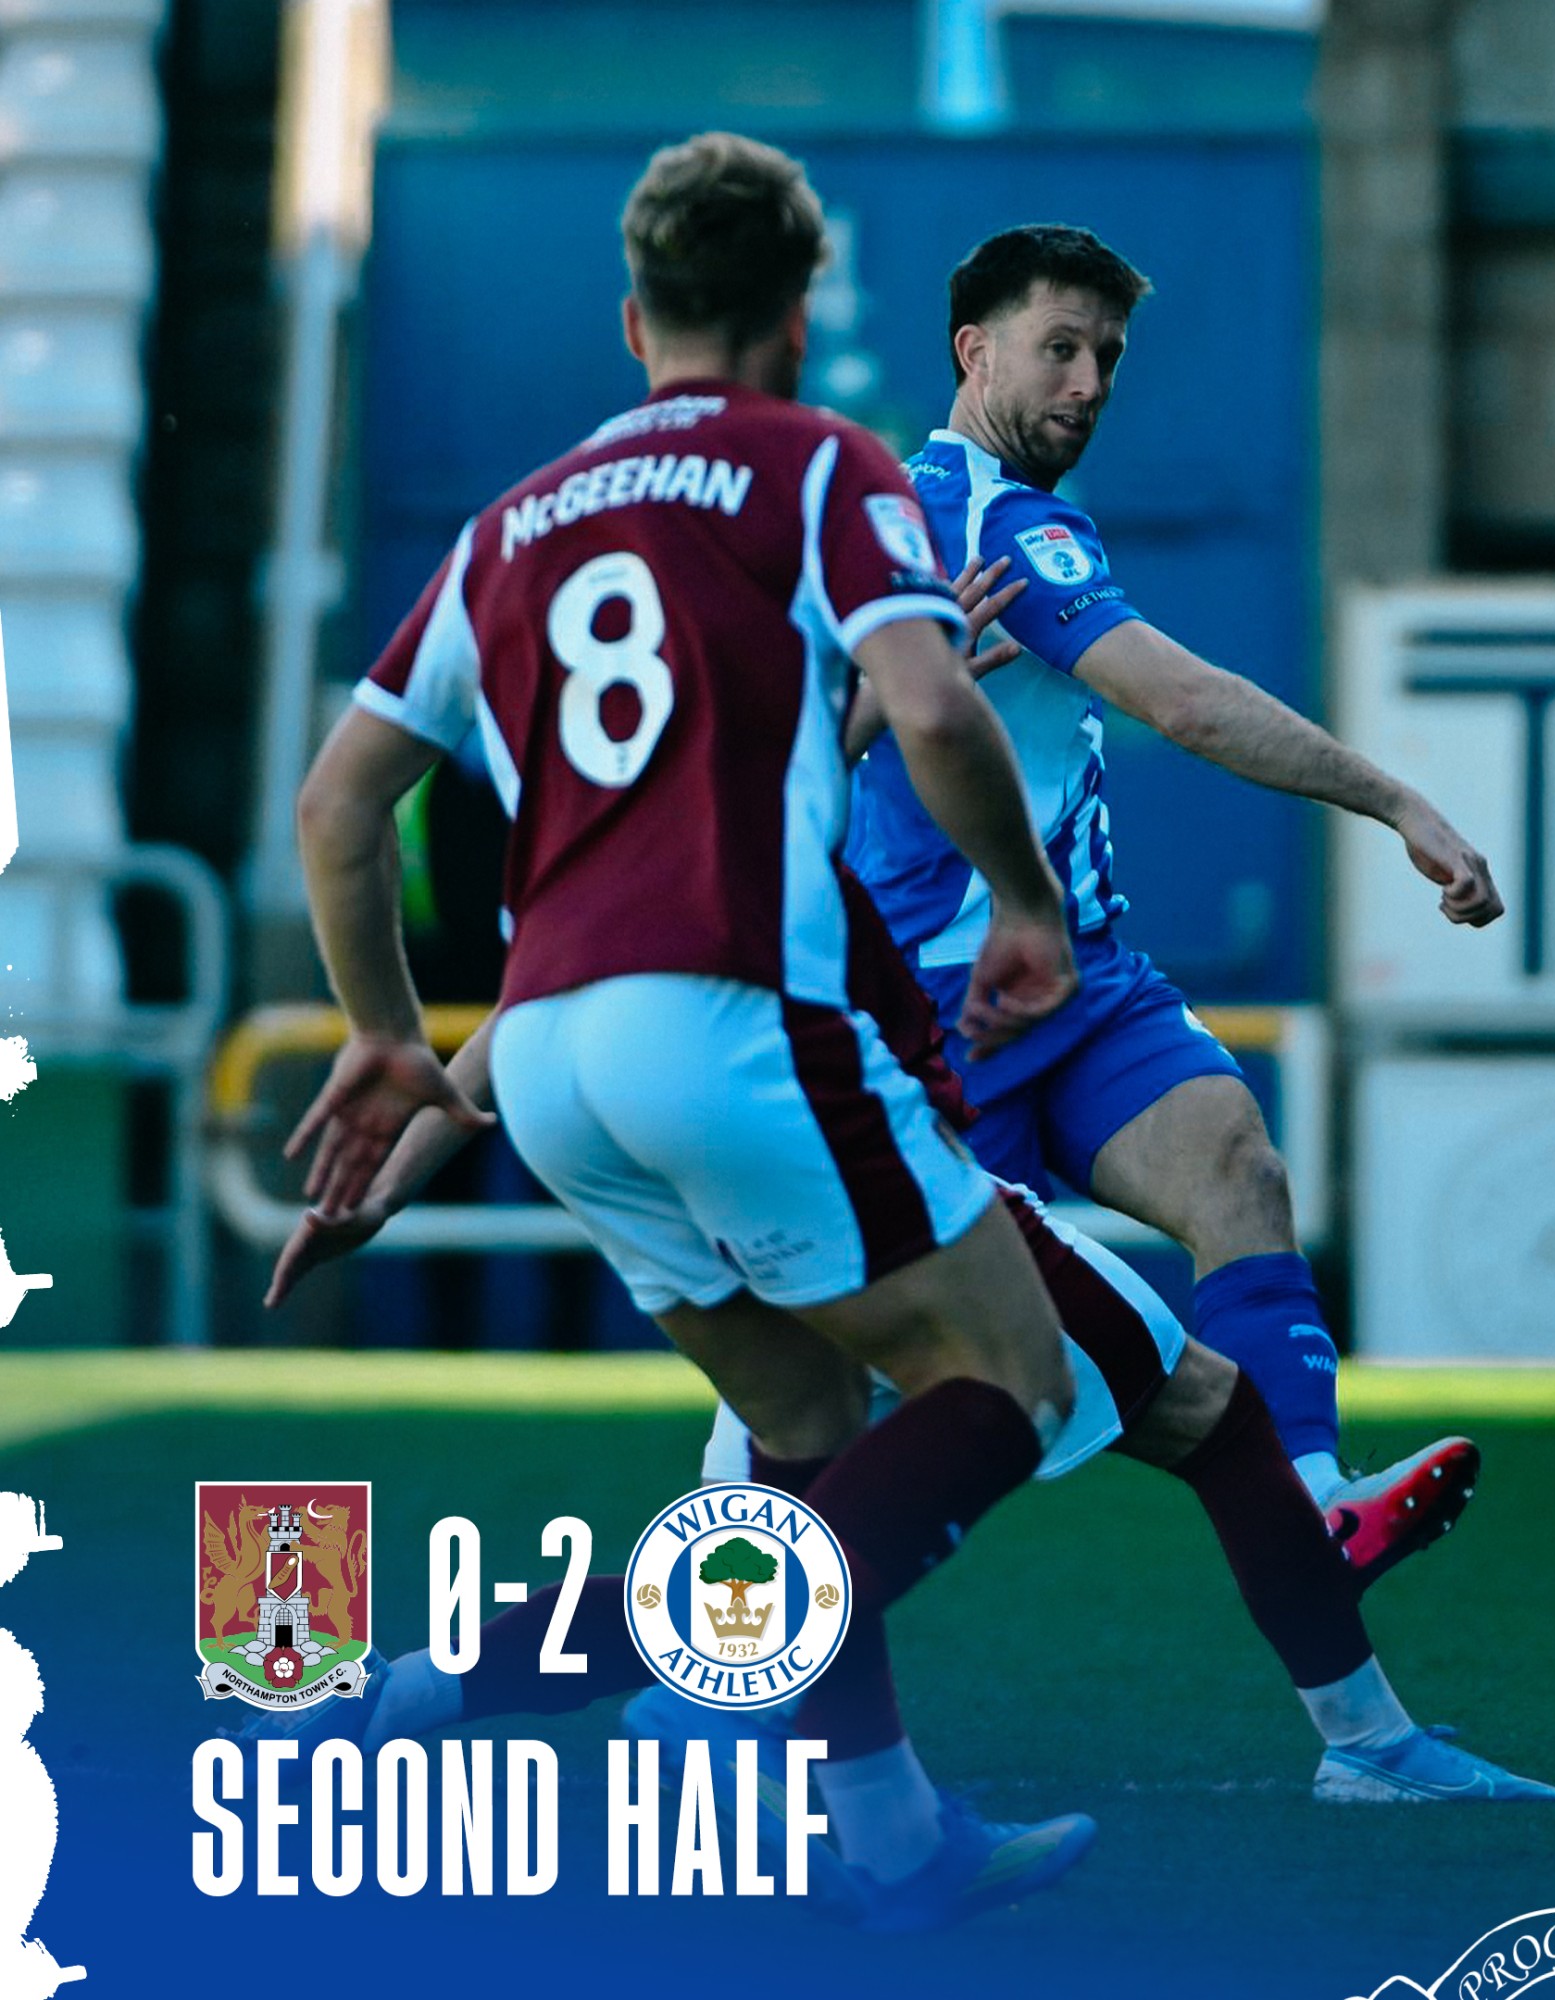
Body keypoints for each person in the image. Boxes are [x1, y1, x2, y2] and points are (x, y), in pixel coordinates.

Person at [284, 132, 1105, 1932]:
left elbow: (338, 803)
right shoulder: (819, 465)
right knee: (1015, 1383)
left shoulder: (510, 523)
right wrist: (1027, 906)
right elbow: (932, 709)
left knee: (804, 1430)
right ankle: (684, 1691)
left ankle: (868, 1838)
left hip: (549, 1059)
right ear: (802, 312)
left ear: (630, 315)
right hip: (731, 1017)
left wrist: (384, 1036)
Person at [263, 863, 1555, 1851]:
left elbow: (515, 994)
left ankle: (392, 1700)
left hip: (711, 1193)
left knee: (746, 1566)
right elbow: (927, 712)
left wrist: (387, 1183)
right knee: (1207, 1417)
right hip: (874, 1173)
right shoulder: (801, 699)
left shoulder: (617, 763)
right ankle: (1367, 1741)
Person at [844, 223, 1501, 1547]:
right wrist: (1394, 799)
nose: (1089, 381)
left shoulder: (964, 514)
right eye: (1059, 348)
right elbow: (1185, 703)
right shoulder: (979, 514)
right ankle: (563, 1652)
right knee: (913, 1432)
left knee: (1235, 1168)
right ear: (974, 353)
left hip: (1078, 980)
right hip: (945, 1014)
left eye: (1108, 355)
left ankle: (1315, 1510)